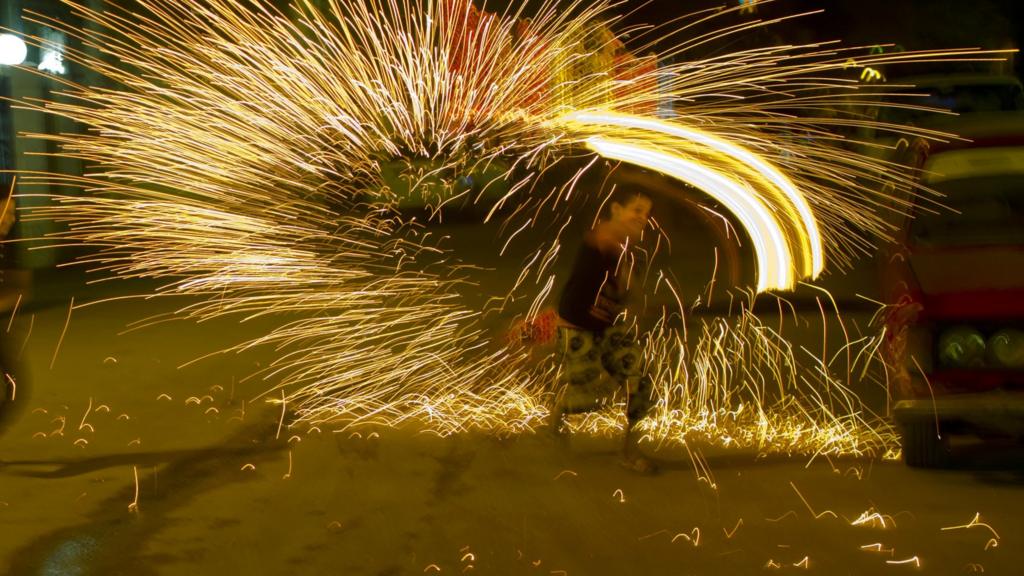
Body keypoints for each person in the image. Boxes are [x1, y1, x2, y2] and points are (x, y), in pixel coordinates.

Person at [549, 185, 657, 474]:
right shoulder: (603, 236)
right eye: (637, 210)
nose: (642, 218)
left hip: (608, 326)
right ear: (616, 210)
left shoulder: (627, 247)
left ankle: (629, 451)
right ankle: (561, 408)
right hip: (577, 327)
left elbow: (630, 289)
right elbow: (606, 241)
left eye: (646, 214)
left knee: (640, 381)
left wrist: (641, 307)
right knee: (588, 399)